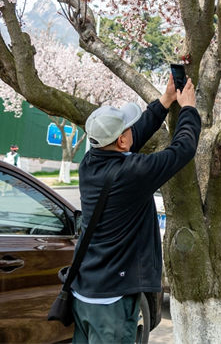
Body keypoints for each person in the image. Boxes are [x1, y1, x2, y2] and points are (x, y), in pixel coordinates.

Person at [71, 74, 200, 343]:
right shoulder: (132, 173)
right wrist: (188, 108)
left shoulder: (90, 162)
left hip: (85, 292)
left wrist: (164, 101)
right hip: (112, 303)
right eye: (126, 127)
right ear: (120, 142)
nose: (133, 129)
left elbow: (133, 136)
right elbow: (183, 149)